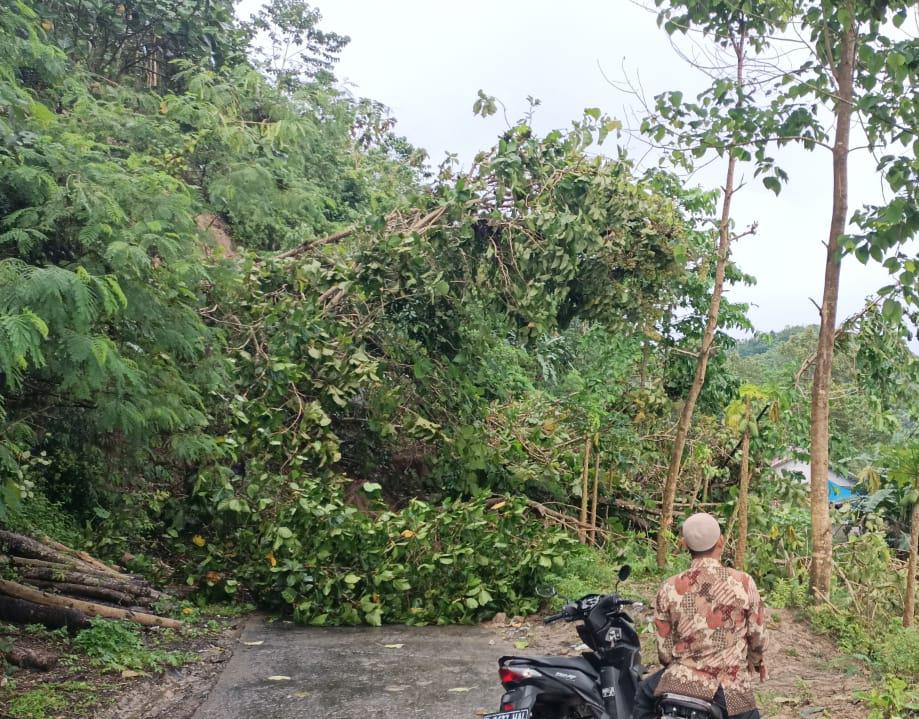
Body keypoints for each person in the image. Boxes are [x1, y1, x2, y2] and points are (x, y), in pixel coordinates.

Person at [634, 513, 768, 719]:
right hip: (730, 687)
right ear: (721, 541)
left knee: (643, 695)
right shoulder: (744, 583)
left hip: (681, 680)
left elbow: (665, 654)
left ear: (684, 544)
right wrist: (756, 661)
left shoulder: (669, 587)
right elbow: (757, 637)